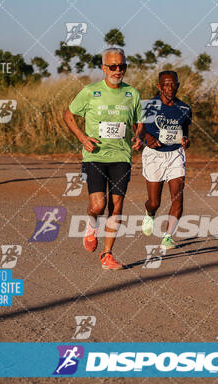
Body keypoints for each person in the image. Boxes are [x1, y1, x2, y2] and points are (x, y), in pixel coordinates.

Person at [63, 47, 144, 271]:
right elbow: (68, 115)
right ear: (104, 68)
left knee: (116, 207)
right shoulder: (90, 92)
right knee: (98, 205)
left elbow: (139, 122)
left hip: (121, 156)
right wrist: (82, 137)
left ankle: (107, 254)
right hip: (95, 156)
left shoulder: (132, 94)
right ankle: (91, 225)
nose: (118, 71)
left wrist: (138, 137)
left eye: (122, 66)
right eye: (113, 66)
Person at [140, 71, 192, 249]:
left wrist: (185, 140)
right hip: (154, 155)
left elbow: (184, 131)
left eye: (173, 84)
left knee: (178, 198)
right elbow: (138, 128)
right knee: (155, 201)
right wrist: (147, 136)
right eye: (166, 85)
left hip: (175, 154)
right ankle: (149, 212)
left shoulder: (184, 108)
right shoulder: (150, 106)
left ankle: (168, 237)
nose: (170, 88)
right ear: (159, 87)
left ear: (178, 85)